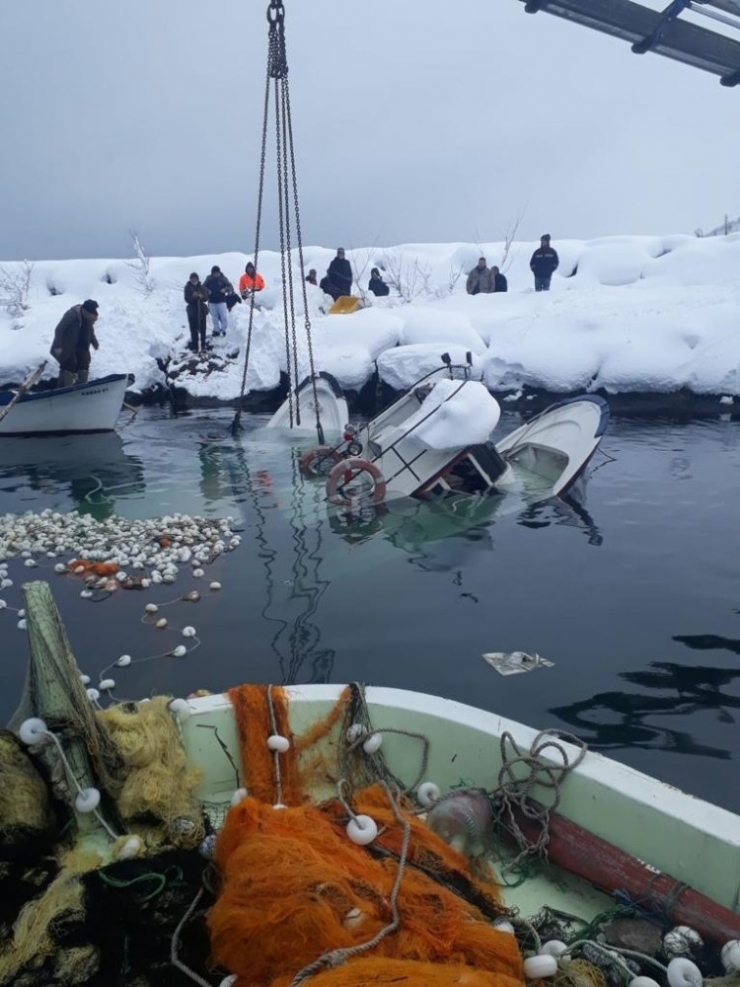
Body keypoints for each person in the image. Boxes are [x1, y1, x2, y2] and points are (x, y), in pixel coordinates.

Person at [49, 300, 100, 387]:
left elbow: (90, 331)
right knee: (70, 363)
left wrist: (94, 342)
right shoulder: (71, 315)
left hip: (80, 345)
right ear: (85, 311)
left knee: (85, 360)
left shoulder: (88, 319)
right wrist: (58, 346)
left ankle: (81, 386)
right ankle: (64, 389)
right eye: (90, 315)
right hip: (65, 345)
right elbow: (59, 329)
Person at [204, 265, 234, 336]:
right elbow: (203, 286)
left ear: (219, 272)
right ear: (212, 273)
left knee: (223, 316)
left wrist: (225, 290)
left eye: (217, 273)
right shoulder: (209, 278)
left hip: (221, 301)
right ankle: (216, 330)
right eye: (214, 273)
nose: (216, 274)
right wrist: (208, 291)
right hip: (212, 301)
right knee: (214, 317)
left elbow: (230, 287)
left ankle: (224, 330)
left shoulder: (223, 278)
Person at [184, 273, 209, 353]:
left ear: (197, 279)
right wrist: (193, 297)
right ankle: (195, 347)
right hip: (192, 311)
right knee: (193, 329)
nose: (194, 280)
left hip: (201, 310)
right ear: (190, 280)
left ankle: (203, 346)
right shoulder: (187, 288)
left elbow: (206, 298)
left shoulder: (202, 287)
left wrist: (202, 296)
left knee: (203, 329)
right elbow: (187, 299)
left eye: (195, 278)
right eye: (192, 279)